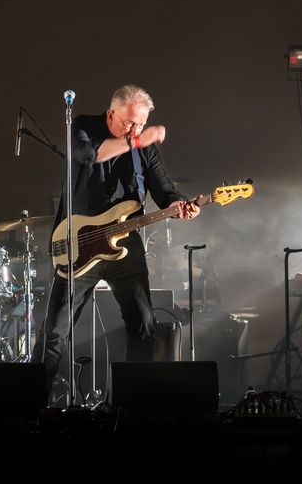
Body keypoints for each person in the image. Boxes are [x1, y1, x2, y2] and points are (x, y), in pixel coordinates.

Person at [36, 84, 199, 394]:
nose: (135, 129)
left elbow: (163, 189)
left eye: (140, 123)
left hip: (124, 244)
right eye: (128, 122)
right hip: (80, 243)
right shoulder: (82, 126)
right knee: (55, 331)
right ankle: (29, 406)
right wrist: (135, 139)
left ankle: (130, 407)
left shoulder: (144, 145)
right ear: (111, 113)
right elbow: (87, 155)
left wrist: (179, 205)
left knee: (144, 326)